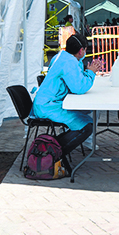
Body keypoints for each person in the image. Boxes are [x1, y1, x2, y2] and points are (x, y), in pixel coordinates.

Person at [31, 33, 103, 173]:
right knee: (87, 126)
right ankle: (53, 153)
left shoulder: (61, 56)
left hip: (45, 102)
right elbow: (79, 88)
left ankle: (53, 146)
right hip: (49, 106)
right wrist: (91, 72)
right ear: (81, 50)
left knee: (86, 114)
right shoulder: (69, 63)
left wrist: (87, 72)